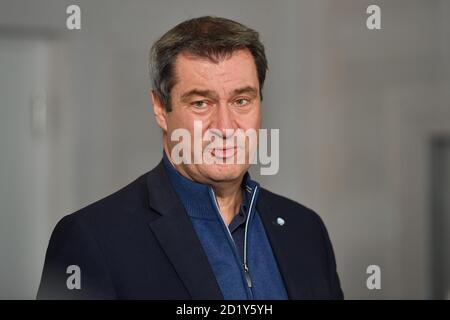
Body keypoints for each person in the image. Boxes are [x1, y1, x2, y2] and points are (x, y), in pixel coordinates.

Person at [37, 16, 343, 300]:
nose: (225, 127)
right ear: (160, 109)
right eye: (200, 103)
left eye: (241, 100)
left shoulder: (306, 230)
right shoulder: (93, 240)